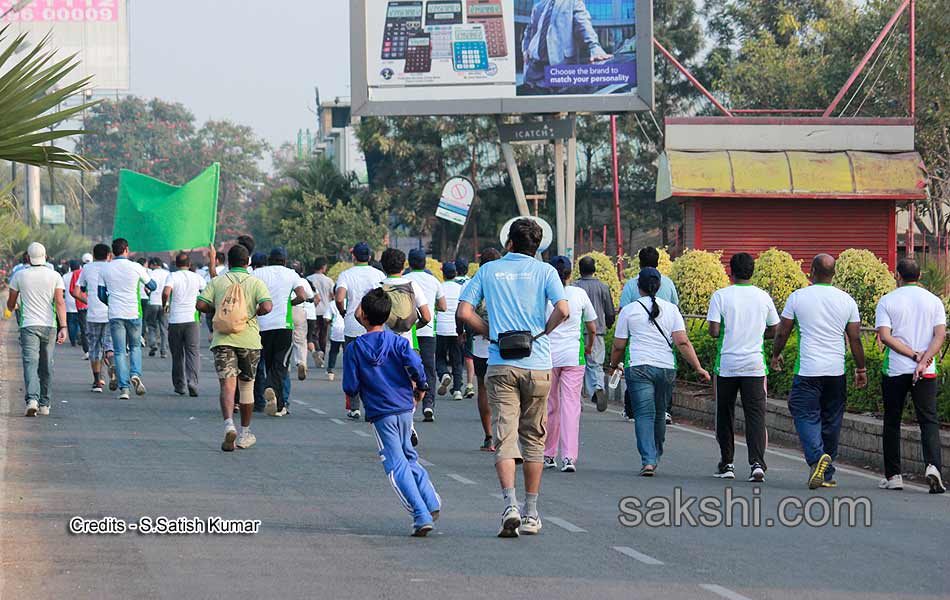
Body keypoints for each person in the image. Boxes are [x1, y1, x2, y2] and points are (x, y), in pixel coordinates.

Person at [457, 218, 570, 538]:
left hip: (500, 362)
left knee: (505, 436)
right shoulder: (546, 271)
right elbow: (563, 309)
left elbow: (464, 312)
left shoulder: (489, 270)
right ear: (537, 246)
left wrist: (490, 332)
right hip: (537, 363)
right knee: (534, 437)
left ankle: (509, 505)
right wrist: (543, 333)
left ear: (509, 243)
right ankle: (532, 512)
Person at [342, 288, 441, 537]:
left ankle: (420, 514)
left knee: (395, 465)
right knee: (409, 455)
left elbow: (351, 386)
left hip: (380, 412)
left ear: (362, 315)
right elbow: (416, 365)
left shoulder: (355, 349)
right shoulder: (398, 342)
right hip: (405, 407)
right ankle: (431, 500)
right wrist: (420, 385)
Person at [770, 254, 868, 490]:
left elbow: (783, 332)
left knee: (802, 411)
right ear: (833, 273)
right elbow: (854, 337)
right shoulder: (847, 300)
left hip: (808, 369)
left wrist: (775, 355)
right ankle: (826, 472)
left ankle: (816, 457)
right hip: (836, 371)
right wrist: (861, 368)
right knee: (831, 419)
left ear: (812, 271)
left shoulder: (798, 297)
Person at [609, 268, 710, 476]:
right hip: (665, 368)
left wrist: (613, 364)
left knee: (644, 415)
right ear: (659, 286)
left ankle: (648, 459)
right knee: (659, 413)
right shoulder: (672, 309)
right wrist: (698, 367)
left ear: (639, 287)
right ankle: (656, 453)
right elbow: (682, 341)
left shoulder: (629, 310)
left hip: (638, 367)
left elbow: (619, 345)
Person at [875, 257, 946, 494]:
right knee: (928, 420)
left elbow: (885, 336)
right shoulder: (934, 301)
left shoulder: (887, 301)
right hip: (926, 371)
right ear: (920, 276)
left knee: (892, 420)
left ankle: (894, 475)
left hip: (895, 369)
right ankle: (933, 467)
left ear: (898, 276)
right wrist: (924, 360)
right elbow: (940, 335)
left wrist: (913, 355)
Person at [707, 253, 780, 482]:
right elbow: (775, 328)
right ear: (752, 271)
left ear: (731, 271)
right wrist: (759, 334)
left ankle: (727, 464)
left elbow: (714, 331)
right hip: (755, 366)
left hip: (727, 365)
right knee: (756, 416)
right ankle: (757, 464)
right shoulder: (763, 297)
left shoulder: (720, 296)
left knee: (725, 414)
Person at [196, 244, 272, 451]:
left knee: (227, 386)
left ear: (229, 262)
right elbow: (266, 306)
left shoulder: (218, 281)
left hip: (223, 341)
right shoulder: (256, 282)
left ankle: (229, 424)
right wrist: (254, 312)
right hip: (249, 341)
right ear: (247, 263)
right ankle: (245, 432)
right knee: (246, 386)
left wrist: (217, 308)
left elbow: (200, 305)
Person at [544, 256, 598, 473]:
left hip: (547, 357)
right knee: (570, 406)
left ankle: (548, 454)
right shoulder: (579, 294)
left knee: (551, 406)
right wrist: (589, 347)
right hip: (574, 356)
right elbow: (592, 327)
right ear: (569, 274)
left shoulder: (544, 295)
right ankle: (568, 457)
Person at [6, 243, 68, 417]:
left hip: (28, 325)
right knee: (46, 365)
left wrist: (12, 306)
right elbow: (60, 302)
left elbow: (11, 303)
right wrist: (63, 326)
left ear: (28, 257)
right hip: (50, 326)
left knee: (30, 363)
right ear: (45, 256)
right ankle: (44, 403)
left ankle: (32, 400)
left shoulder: (19, 276)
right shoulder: (55, 276)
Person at [620, 247, 680, 424]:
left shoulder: (632, 283)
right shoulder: (667, 283)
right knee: (665, 375)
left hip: (638, 340)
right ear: (658, 261)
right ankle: (665, 411)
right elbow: (676, 306)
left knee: (635, 373)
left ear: (639, 262)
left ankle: (631, 409)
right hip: (665, 340)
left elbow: (624, 310)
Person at [379, 248, 434, 419]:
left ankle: (394, 418)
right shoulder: (412, 286)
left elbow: (359, 314)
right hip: (409, 344)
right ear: (404, 266)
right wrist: (413, 327)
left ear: (383, 266)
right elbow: (427, 316)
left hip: (384, 344)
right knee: (411, 383)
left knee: (388, 383)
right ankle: (408, 420)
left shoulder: (378, 287)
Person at [99, 239, 156, 400]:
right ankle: (135, 374)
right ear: (126, 250)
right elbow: (152, 286)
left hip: (115, 313)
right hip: (134, 312)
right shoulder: (136, 267)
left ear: (113, 251)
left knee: (119, 351)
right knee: (135, 346)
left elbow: (100, 294)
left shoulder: (105, 269)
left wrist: (111, 303)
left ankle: (124, 388)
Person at [254, 248, 308, 417]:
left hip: (262, 325)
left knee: (268, 363)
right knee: (281, 364)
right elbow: (302, 295)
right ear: (285, 260)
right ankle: (274, 393)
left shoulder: (258, 273)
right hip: (284, 325)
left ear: (269, 259)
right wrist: (289, 303)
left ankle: (278, 404)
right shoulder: (291, 274)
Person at [335, 242, 386, 419]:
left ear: (353, 257)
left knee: (353, 366)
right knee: (374, 366)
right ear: (370, 257)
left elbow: (339, 297)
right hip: (374, 327)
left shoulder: (346, 275)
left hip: (352, 326)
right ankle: (373, 405)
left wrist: (343, 312)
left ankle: (354, 407)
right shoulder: (379, 274)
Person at [520, 0, 612, 94]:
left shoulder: (573, 2)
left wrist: (594, 46)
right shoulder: (538, 6)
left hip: (559, 68)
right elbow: (529, 31)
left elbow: (583, 25)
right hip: (534, 69)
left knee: (559, 104)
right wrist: (525, 49)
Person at [462, 249, 502, 451]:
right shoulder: (505, 283)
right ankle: (508, 437)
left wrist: (460, 331)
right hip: (506, 342)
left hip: (480, 343)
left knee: (483, 388)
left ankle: (489, 437)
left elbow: (462, 312)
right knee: (508, 390)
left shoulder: (476, 283)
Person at [572, 255, 616, 412]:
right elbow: (610, 311)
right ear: (594, 269)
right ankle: (598, 387)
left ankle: (577, 400)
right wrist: (608, 325)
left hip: (576, 332)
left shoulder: (574, 287)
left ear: (580, 270)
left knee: (576, 367)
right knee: (595, 364)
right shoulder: (603, 287)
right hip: (597, 332)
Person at [404, 249, 445, 414]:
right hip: (428, 331)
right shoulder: (433, 281)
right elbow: (443, 306)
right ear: (425, 263)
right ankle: (428, 405)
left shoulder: (405, 280)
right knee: (429, 368)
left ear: (409, 263)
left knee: (408, 368)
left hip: (408, 331)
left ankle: (410, 403)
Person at [163, 252, 207, 397]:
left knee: (177, 355)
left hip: (175, 320)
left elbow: (166, 291)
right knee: (193, 353)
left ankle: (179, 385)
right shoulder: (197, 277)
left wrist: (165, 304)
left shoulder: (172, 276)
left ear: (176, 264)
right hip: (192, 320)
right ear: (189, 264)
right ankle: (192, 382)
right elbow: (205, 293)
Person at [74, 244, 115, 393]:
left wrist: (88, 301)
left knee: (94, 349)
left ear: (93, 254)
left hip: (93, 315)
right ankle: (113, 366)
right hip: (111, 313)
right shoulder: (111, 268)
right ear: (108, 255)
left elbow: (76, 291)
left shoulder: (87, 268)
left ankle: (97, 382)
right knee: (110, 346)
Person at [435, 262, 465, 401]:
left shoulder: (439, 287)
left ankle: (444, 374)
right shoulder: (461, 288)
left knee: (440, 357)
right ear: (456, 273)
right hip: (457, 329)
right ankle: (457, 390)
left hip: (441, 328)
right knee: (457, 361)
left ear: (443, 274)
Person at [453, 257, 476, 399]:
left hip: (463, 321)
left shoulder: (450, 283)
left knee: (465, 355)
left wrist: (460, 330)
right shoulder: (471, 282)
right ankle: (469, 383)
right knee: (471, 354)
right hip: (475, 320)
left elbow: (460, 308)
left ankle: (463, 385)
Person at [307, 259, 335, 365]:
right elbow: (333, 295)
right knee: (323, 335)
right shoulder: (328, 280)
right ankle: (322, 355)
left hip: (312, 311)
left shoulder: (308, 279)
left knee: (313, 335)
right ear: (323, 267)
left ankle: (317, 351)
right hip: (325, 311)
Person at [144, 257, 170, 358]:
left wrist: (149, 294)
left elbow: (146, 288)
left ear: (154, 264)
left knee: (151, 326)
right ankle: (164, 351)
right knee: (164, 328)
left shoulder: (150, 274)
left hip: (152, 303)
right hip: (165, 304)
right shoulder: (167, 274)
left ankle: (153, 344)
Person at [63, 259, 82, 348]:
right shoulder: (81, 275)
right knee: (79, 321)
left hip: (69, 303)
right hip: (79, 301)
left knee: (70, 322)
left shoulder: (65, 276)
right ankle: (79, 335)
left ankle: (72, 340)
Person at [325, 301, 345, 381]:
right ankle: (349, 371)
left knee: (333, 351)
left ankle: (331, 370)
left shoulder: (332, 303)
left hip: (336, 330)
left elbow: (326, 318)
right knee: (348, 352)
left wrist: (330, 323)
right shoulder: (350, 301)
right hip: (349, 330)